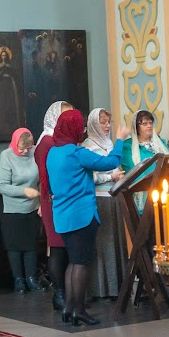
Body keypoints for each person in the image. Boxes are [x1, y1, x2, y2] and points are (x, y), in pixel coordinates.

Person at [47, 110, 131, 325]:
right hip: (81, 214)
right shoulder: (77, 153)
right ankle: (80, 310)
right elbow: (110, 162)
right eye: (80, 125)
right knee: (81, 263)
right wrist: (120, 140)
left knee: (72, 262)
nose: (82, 129)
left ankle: (69, 308)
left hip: (62, 215)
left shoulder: (52, 153)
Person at [32, 101, 74, 311]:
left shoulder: (56, 140)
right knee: (57, 247)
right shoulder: (47, 142)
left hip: (61, 200)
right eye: (64, 116)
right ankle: (59, 294)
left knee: (65, 247)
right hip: (54, 200)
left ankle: (68, 293)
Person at [82, 107, 126, 301]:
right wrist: (111, 176)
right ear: (93, 124)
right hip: (100, 199)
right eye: (103, 122)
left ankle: (119, 287)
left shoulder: (108, 143)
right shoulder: (87, 146)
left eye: (109, 122)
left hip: (116, 197)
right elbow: (88, 177)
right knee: (104, 244)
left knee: (117, 243)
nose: (107, 126)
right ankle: (103, 288)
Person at [0, 128, 43, 294]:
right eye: (21, 148)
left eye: (28, 148)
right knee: (14, 246)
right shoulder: (6, 156)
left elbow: (42, 179)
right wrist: (24, 191)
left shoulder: (35, 153)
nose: (25, 151)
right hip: (11, 208)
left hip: (32, 206)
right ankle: (19, 280)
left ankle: (31, 278)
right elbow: (1, 186)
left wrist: (41, 203)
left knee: (31, 244)